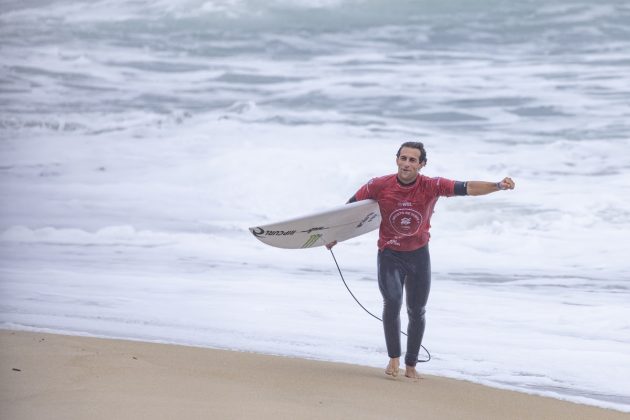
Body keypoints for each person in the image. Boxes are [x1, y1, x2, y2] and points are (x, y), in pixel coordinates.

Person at [327, 141, 515, 380]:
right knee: (392, 302)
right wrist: (334, 235)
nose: (406, 163)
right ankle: (393, 358)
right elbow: (350, 209)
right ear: (396, 160)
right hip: (389, 254)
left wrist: (497, 185)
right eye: (403, 158)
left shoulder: (432, 186)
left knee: (417, 310)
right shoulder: (378, 185)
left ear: (422, 164)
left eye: (412, 160)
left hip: (418, 255)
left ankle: (411, 365)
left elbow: (467, 188)